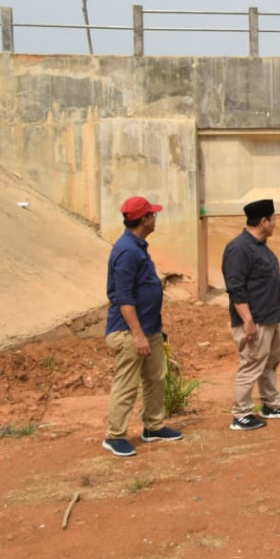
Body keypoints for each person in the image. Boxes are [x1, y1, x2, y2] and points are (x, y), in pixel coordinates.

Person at [101, 196, 183, 457]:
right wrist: (137, 334)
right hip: (130, 332)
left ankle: (154, 426)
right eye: (152, 215)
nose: (155, 218)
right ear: (144, 219)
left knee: (155, 378)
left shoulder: (138, 246)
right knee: (126, 384)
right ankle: (115, 436)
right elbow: (122, 297)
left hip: (149, 328)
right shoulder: (127, 251)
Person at [223, 198, 280, 430]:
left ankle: (272, 405)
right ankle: (241, 415)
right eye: (273, 219)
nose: (276, 223)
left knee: (269, 363)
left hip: (270, 318)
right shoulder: (239, 248)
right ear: (264, 221)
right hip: (254, 321)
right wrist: (248, 321)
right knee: (251, 365)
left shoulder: (260, 245)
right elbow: (235, 287)